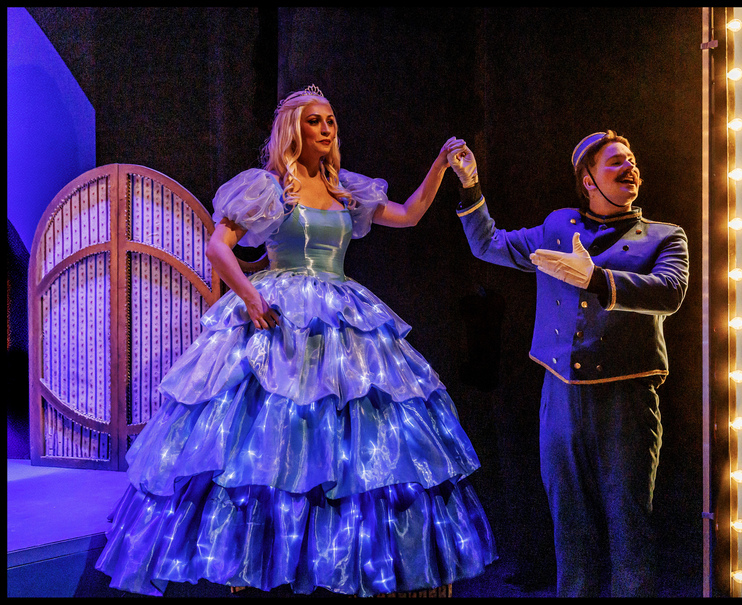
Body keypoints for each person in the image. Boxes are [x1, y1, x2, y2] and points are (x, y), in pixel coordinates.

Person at [95, 85, 496, 597]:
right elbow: (218, 247)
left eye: (330, 121)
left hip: (340, 313)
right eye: (314, 121)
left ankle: (338, 559)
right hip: (281, 312)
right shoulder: (268, 188)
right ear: (293, 130)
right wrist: (251, 298)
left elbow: (410, 214)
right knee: (274, 432)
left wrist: (440, 166)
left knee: (349, 427)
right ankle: (262, 558)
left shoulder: (344, 189)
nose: (326, 129)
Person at [446, 130, 689, 597]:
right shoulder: (560, 226)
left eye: (632, 161)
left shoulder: (664, 236)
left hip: (626, 401)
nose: (630, 167)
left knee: (629, 527)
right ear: (588, 180)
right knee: (570, 527)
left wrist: (595, 277)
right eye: (616, 162)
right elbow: (488, 244)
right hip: (560, 398)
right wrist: (471, 186)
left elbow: (670, 291)